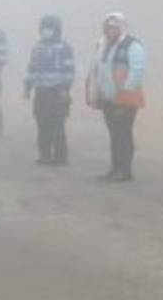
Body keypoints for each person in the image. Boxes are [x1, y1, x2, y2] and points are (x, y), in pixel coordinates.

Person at [85, 12, 145, 182]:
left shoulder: (133, 45)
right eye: (107, 27)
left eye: (113, 28)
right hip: (108, 98)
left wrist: (124, 90)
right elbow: (98, 70)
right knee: (114, 134)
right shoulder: (103, 45)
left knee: (123, 133)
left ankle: (125, 170)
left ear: (121, 28)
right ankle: (115, 168)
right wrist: (96, 92)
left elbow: (138, 71)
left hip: (126, 98)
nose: (110, 31)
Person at [23, 15, 75, 165]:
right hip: (41, 91)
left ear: (57, 30)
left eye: (50, 28)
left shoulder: (64, 48)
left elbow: (69, 70)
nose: (46, 31)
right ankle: (44, 155)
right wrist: (28, 86)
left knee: (58, 124)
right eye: (44, 28)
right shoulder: (37, 47)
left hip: (58, 91)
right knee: (42, 124)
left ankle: (60, 156)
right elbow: (32, 68)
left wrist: (66, 89)